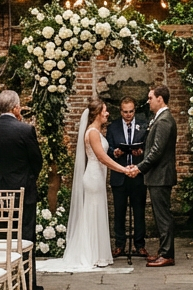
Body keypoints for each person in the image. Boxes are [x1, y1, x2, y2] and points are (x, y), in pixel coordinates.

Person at [38, 97, 131, 272]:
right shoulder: (93, 133)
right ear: (97, 113)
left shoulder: (96, 131)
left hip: (97, 177)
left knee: (96, 213)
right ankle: (91, 254)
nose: (107, 114)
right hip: (93, 177)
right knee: (93, 213)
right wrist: (124, 170)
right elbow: (102, 157)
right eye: (105, 110)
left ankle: (97, 254)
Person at [0, 90, 45, 290]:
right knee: (25, 236)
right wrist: (28, 177)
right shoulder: (25, 130)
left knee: (0, 237)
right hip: (22, 190)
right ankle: (26, 283)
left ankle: (2, 281)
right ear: (16, 107)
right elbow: (37, 160)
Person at [135, 85, 178, 267]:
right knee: (160, 215)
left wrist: (139, 168)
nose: (148, 101)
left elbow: (157, 151)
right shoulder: (160, 118)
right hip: (157, 175)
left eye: (151, 98)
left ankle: (167, 254)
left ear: (160, 99)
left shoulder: (164, 120)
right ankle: (163, 251)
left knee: (163, 216)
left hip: (161, 175)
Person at [106, 97, 147, 257]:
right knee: (119, 211)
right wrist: (115, 152)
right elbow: (108, 148)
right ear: (120, 111)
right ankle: (119, 244)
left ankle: (140, 244)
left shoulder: (143, 125)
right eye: (125, 112)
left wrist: (140, 152)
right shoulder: (113, 127)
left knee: (139, 211)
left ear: (135, 110)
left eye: (131, 111)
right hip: (120, 175)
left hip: (137, 175)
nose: (128, 115)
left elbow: (148, 146)